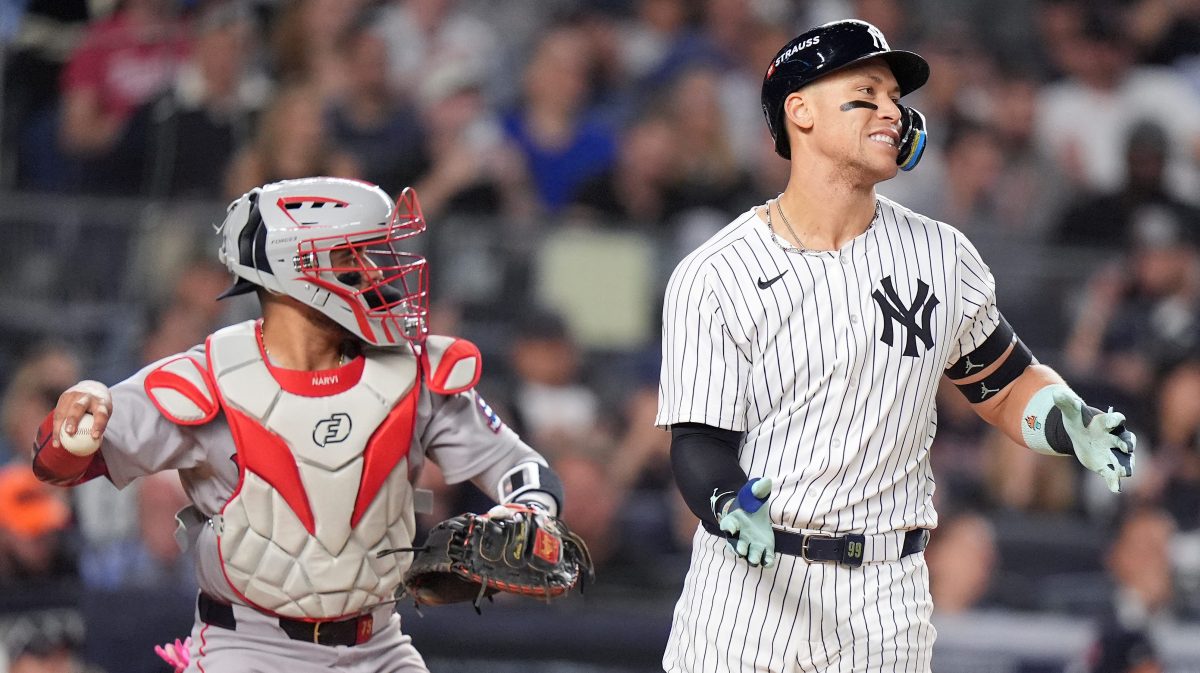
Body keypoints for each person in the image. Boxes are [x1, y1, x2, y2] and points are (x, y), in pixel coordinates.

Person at [656, 19, 1137, 672]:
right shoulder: (717, 270)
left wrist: (1067, 419)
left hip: (881, 592)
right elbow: (698, 440)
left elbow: (1000, 382)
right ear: (800, 112)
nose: (892, 110)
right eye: (866, 94)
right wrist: (725, 504)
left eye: (895, 98)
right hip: (747, 588)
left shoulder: (942, 254)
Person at [31, 177, 568, 672]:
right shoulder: (209, 376)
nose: (380, 272)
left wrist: (532, 511)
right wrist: (73, 422)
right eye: (355, 255)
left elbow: (519, 465)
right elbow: (60, 462)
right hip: (246, 648)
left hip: (379, 646)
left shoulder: (415, 371)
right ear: (295, 270)